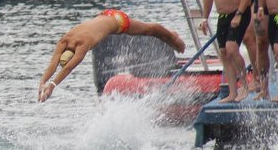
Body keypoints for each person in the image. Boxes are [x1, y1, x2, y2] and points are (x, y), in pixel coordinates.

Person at [37, 11, 186, 102]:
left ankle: (173, 38)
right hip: (105, 15)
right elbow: (53, 64)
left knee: (150, 30)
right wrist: (42, 83)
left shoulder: (84, 43)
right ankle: (170, 36)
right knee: (149, 30)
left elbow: (69, 67)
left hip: (117, 21)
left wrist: (53, 85)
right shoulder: (65, 39)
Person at [198, 0, 252, 102]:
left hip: (239, 13)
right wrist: (204, 18)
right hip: (223, 16)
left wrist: (239, 14)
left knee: (232, 49)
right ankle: (232, 92)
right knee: (223, 52)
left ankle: (245, 86)